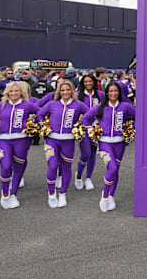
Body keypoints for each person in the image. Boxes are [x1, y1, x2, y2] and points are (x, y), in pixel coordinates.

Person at [0, 81, 40, 209]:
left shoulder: (28, 105)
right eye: (11, 91)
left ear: (22, 92)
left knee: (18, 167)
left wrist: (33, 124)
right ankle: (5, 194)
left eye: (17, 91)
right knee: (5, 166)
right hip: (3, 140)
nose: (14, 93)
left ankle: (13, 194)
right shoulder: (0, 105)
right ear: (7, 92)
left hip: (22, 140)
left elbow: (41, 114)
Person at [82, 81, 135, 212]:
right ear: (107, 93)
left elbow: (138, 118)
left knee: (115, 170)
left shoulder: (125, 106)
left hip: (120, 143)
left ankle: (111, 196)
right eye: (110, 91)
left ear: (119, 92)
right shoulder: (100, 107)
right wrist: (91, 129)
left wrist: (132, 129)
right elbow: (85, 119)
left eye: (115, 91)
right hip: (104, 143)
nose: (113, 93)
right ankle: (104, 196)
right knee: (111, 168)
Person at [37, 80, 89, 208]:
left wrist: (81, 126)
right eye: (62, 90)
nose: (65, 92)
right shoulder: (52, 104)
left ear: (72, 91)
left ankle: (62, 194)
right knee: (53, 166)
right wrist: (44, 125)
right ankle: (51, 194)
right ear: (59, 92)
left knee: (66, 168)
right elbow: (39, 114)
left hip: (68, 141)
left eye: (68, 90)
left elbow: (90, 115)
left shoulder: (78, 105)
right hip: (51, 140)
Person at [74, 75, 105, 191]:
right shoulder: (77, 95)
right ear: (82, 83)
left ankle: (88, 178)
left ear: (94, 82)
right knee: (85, 153)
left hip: (97, 128)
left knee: (92, 153)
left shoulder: (101, 95)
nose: (88, 83)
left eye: (90, 81)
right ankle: (78, 176)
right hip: (83, 128)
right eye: (86, 81)